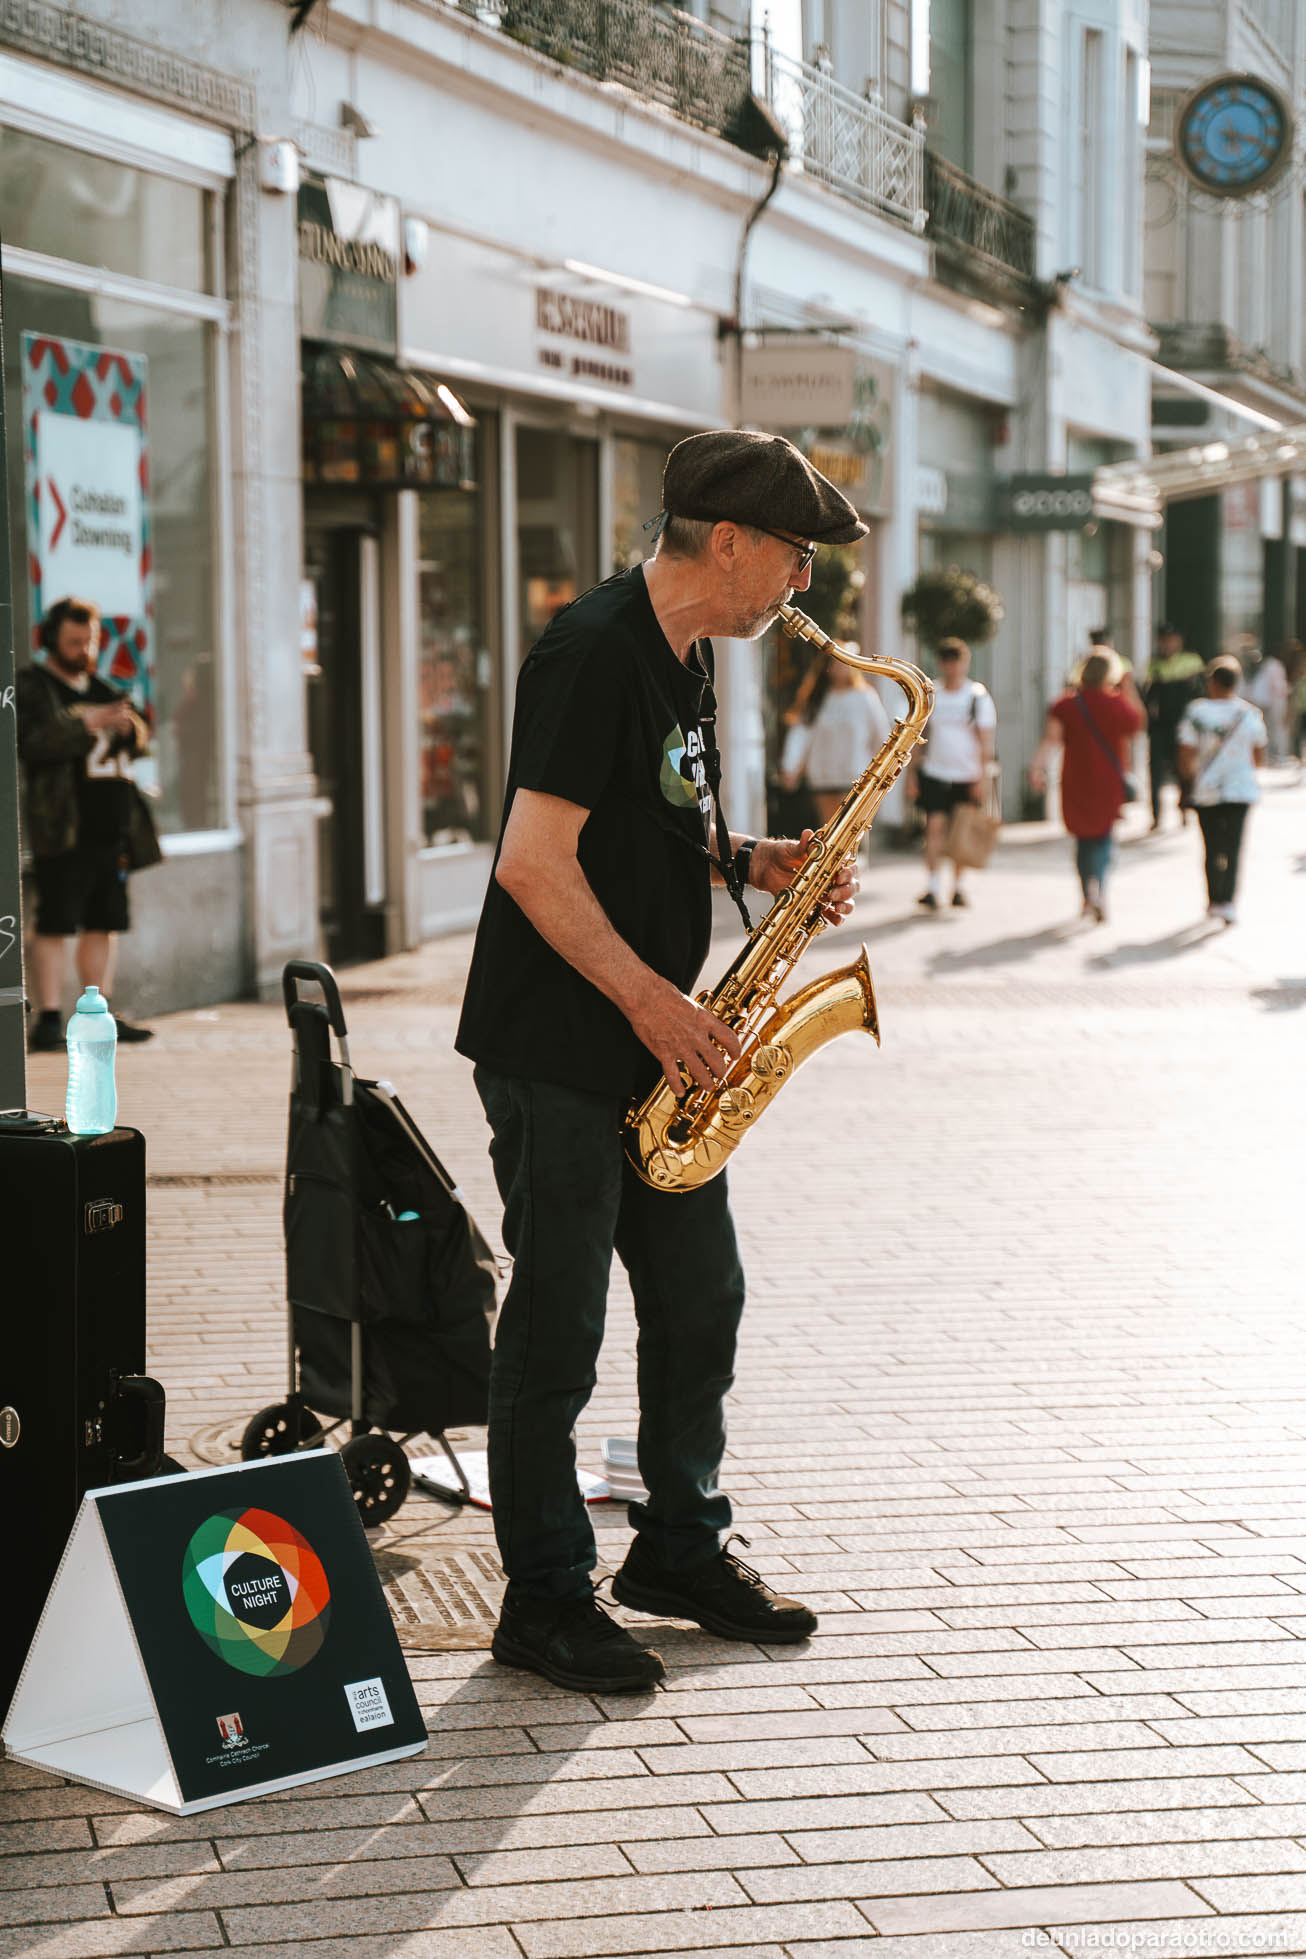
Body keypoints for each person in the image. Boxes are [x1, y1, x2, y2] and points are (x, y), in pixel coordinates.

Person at [455, 430, 864, 1694]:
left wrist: (752, 861)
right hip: (563, 1042)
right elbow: (532, 862)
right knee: (561, 1323)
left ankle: (677, 1549)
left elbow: (650, 818)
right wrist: (651, 1006)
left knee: (701, 1298)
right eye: (794, 558)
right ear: (728, 539)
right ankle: (542, 1597)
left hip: (646, 1044)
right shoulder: (590, 651)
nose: (802, 587)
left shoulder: (688, 659)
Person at [17, 597, 161, 1051]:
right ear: (51, 641)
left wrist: (127, 727)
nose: (83, 650)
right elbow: (31, 743)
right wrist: (88, 724)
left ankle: (98, 1013)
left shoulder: (103, 686)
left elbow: (140, 741)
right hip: (61, 829)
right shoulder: (34, 686)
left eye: (90, 641)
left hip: (110, 827)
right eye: (74, 642)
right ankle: (49, 1019)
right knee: (56, 922)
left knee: (104, 922)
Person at [1028, 650, 1145, 923]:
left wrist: (1037, 768)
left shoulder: (1066, 705)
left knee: (1082, 839)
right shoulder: (1118, 705)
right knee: (1104, 837)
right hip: (1109, 782)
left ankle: (1086, 895)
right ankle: (1100, 890)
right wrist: (1129, 689)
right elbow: (1138, 724)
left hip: (1076, 780)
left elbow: (1051, 740)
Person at [905, 636, 997, 910]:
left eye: (956, 661)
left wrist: (981, 778)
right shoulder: (933, 694)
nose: (951, 667)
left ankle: (957, 887)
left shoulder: (976, 696)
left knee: (961, 831)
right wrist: (913, 774)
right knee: (933, 827)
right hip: (936, 772)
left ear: (965, 663)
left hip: (967, 774)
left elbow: (986, 741)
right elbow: (921, 735)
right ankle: (933, 886)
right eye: (946, 661)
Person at [1175, 654, 1268, 925]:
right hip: (1241, 790)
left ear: (1212, 682)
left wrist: (1190, 778)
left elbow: (1186, 753)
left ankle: (1214, 899)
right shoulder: (1250, 714)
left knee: (1212, 846)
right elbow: (1259, 757)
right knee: (1234, 846)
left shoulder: (1196, 712)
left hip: (1207, 789)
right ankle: (1228, 901)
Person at [778, 648, 891, 826]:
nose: (839, 668)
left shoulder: (865, 697)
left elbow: (881, 735)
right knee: (830, 827)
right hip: (824, 774)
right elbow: (801, 734)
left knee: (853, 828)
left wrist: (879, 771)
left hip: (856, 774)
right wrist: (790, 766)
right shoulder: (816, 698)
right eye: (835, 663)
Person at [1142, 622, 1204, 830]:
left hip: (1183, 726)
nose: (1167, 645)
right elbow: (1148, 697)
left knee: (1183, 771)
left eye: (1171, 640)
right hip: (1160, 727)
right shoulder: (1154, 664)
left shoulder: (1191, 661)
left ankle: (1184, 810)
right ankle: (1156, 816)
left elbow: (1199, 695)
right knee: (1156, 773)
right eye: (1163, 641)